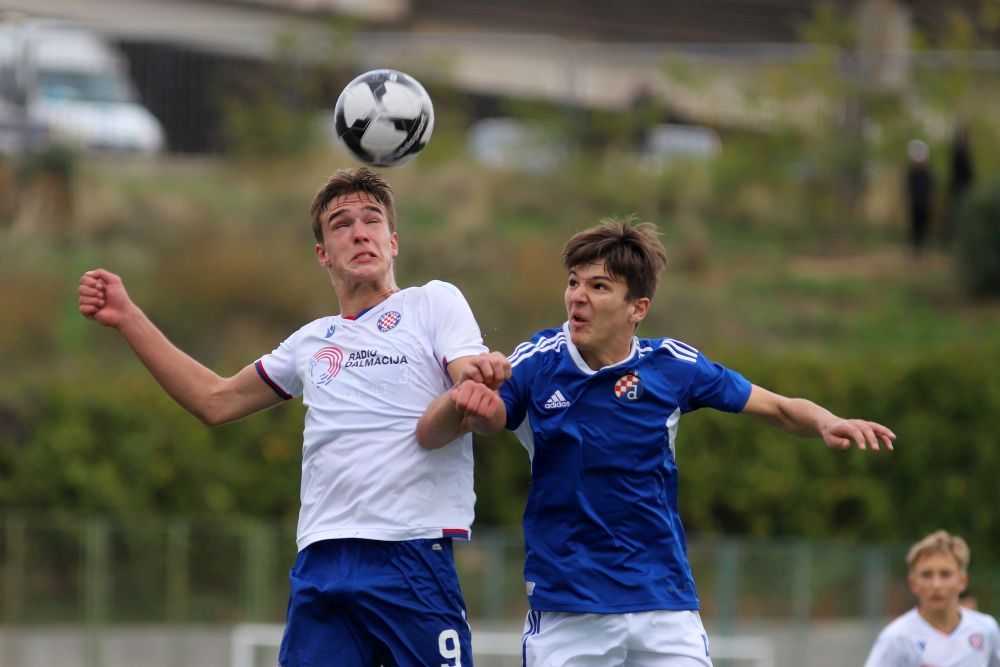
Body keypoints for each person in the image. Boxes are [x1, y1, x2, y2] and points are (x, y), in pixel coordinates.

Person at [77, 167, 509, 667]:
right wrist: (128, 316)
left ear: (393, 242)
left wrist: (478, 385)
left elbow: (469, 386)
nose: (359, 231)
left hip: (409, 553)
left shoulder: (431, 303)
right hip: (322, 563)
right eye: (341, 224)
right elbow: (214, 400)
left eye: (372, 220)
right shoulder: (311, 341)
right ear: (323, 253)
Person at [418, 216, 896, 666]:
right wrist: (475, 406)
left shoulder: (672, 366)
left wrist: (827, 421)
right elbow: (493, 417)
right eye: (573, 282)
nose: (577, 297)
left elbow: (778, 407)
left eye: (598, 286)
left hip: (663, 601)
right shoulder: (539, 361)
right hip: (569, 606)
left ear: (637, 308)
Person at [864, 530, 1000, 667]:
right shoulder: (897, 637)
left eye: (945, 574)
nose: (936, 584)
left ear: (962, 581)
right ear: (913, 583)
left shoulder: (986, 629)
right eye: (926, 575)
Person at [905, 139, 934, 255]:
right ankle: (916, 248)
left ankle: (919, 248)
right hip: (916, 203)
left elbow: (931, 188)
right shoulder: (913, 172)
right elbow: (909, 188)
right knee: (915, 227)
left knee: (921, 227)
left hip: (923, 203)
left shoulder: (926, 173)